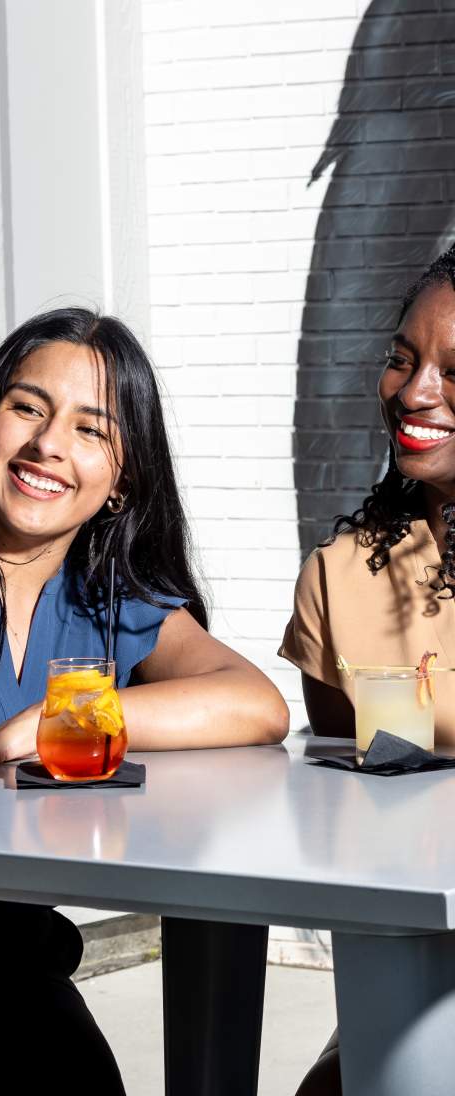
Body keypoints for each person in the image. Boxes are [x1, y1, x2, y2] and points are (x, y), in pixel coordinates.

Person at [0, 307, 288, 1087]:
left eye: (90, 429)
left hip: (4, 966)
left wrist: (55, 718)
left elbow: (254, 703)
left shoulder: (110, 600)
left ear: (122, 478)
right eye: (27, 407)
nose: (48, 444)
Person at [280, 244, 455, 1094]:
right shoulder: (341, 576)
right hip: (410, 963)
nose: (416, 393)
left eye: (454, 370)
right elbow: (339, 791)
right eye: (402, 359)